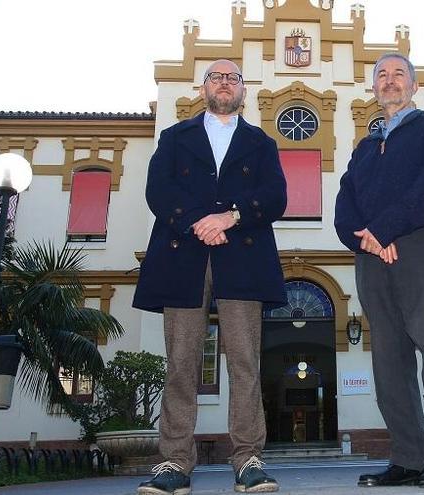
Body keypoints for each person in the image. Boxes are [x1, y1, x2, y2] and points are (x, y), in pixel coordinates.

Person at [133, 59, 287, 495]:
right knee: (181, 364)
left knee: (244, 362)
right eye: (216, 77)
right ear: (203, 89)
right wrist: (202, 221)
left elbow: (275, 197)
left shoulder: (261, 143)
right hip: (184, 255)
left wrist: (231, 217)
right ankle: (174, 464)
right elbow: (158, 191)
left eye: (233, 77)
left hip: (243, 258)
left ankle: (248, 460)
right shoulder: (175, 136)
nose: (225, 83)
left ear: (243, 91)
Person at [334, 52, 424, 488]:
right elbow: (345, 201)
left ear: (412, 85)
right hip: (372, 255)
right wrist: (364, 239)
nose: (390, 81)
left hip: (423, 245)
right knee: (389, 359)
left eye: (399, 74)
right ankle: (407, 459)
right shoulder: (365, 148)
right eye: (382, 75)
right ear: (373, 87)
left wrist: (385, 230)